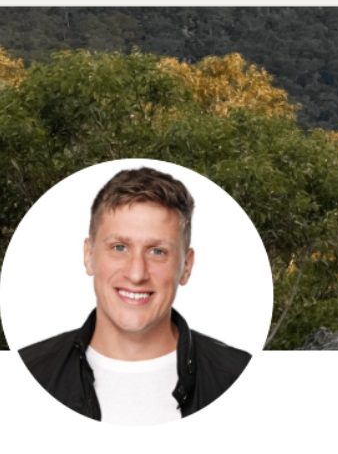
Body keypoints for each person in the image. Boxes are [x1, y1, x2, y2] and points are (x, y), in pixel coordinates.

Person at [18, 167, 250, 425]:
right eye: (119, 247)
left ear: (186, 266)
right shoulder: (26, 374)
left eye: (157, 251)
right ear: (89, 256)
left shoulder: (240, 377)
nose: (137, 273)